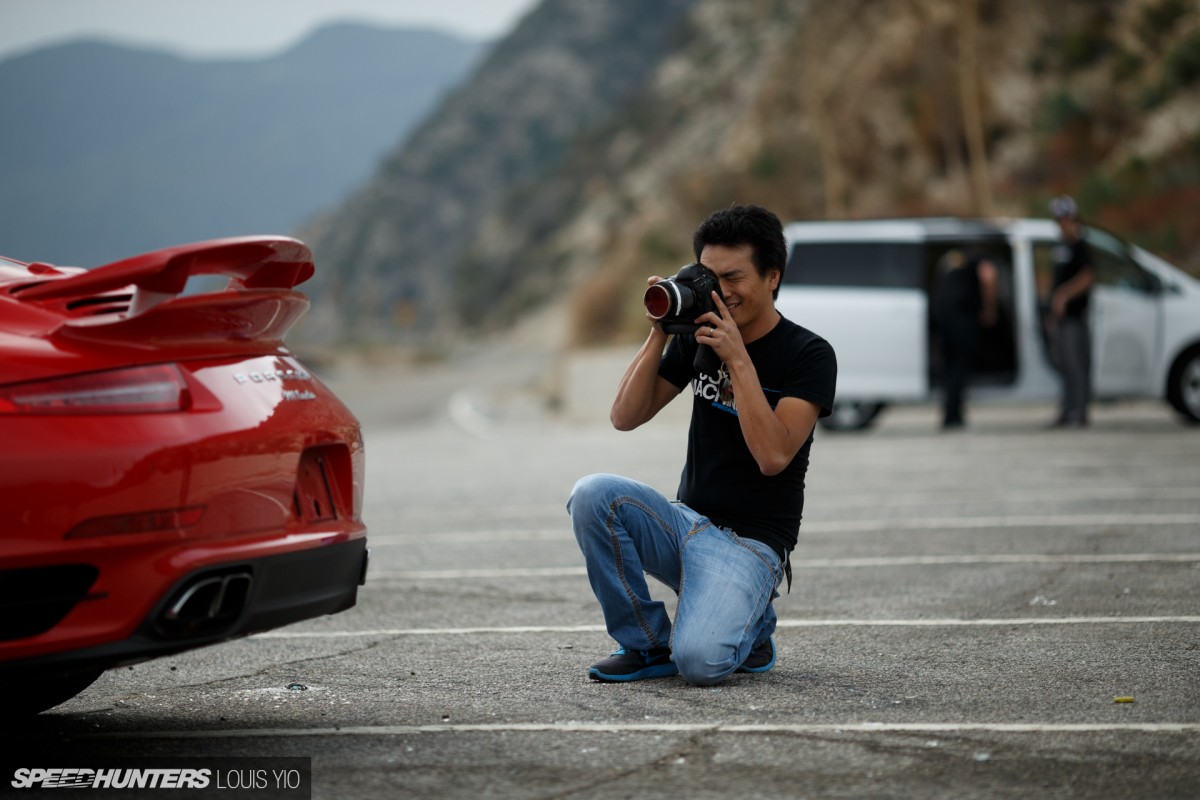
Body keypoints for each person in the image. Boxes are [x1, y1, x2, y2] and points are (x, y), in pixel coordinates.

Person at [567, 204, 837, 686]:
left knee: (700, 663)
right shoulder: (698, 338)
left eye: (734, 277)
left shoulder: (809, 354)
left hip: (750, 545)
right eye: (709, 277)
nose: (720, 291)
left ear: (772, 276)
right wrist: (661, 333)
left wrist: (738, 359)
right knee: (592, 494)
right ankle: (646, 643)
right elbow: (624, 417)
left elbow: (773, 457)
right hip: (686, 522)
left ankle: (755, 622)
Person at [931, 248, 998, 429]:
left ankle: (950, 413)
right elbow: (988, 276)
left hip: (944, 320)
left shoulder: (952, 262)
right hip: (962, 319)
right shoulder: (980, 260)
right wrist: (989, 308)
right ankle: (953, 416)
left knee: (950, 369)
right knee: (960, 368)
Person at [1047, 195, 1095, 428]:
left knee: (1076, 366)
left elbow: (1088, 277)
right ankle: (1067, 410)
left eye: (1064, 218)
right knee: (1065, 366)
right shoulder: (1060, 246)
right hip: (1062, 319)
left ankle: (1079, 411)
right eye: (1057, 219)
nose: (1061, 223)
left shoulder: (1079, 245)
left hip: (1075, 316)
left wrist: (1065, 294)